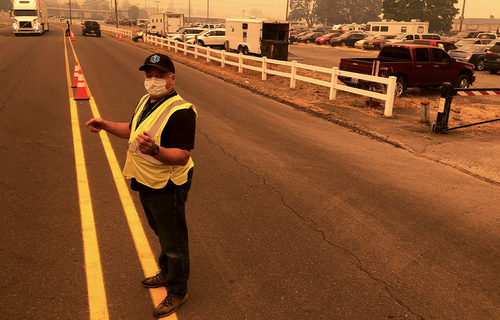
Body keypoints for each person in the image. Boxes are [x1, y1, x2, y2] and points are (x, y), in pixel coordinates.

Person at [85, 53, 197, 318]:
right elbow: (132, 129)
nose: (153, 81)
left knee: (174, 240)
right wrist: (105, 125)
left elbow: (182, 156)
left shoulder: (181, 111)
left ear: (172, 79)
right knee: (162, 233)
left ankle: (178, 290)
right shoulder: (146, 100)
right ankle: (167, 273)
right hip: (146, 181)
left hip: (167, 185)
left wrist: (155, 150)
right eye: (149, 75)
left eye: (160, 76)